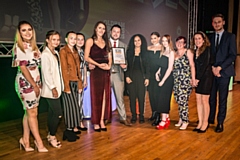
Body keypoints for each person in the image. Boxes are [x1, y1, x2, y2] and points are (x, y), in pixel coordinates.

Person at [12, 20, 48, 152]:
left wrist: (39, 82)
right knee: (32, 112)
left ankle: (25, 140)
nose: (27, 32)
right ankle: (39, 142)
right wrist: (34, 85)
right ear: (19, 33)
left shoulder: (33, 47)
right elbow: (23, 68)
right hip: (25, 83)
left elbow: (36, 67)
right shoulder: (19, 47)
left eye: (29, 29)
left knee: (29, 112)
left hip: (35, 83)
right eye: (24, 30)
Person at [208, 14, 237, 133]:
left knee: (222, 99)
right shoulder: (209, 37)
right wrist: (212, 68)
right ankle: (210, 119)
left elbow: (232, 55)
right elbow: (208, 55)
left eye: (219, 22)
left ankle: (220, 122)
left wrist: (219, 68)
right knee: (211, 99)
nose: (217, 24)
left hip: (224, 72)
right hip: (211, 72)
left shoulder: (230, 37)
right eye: (214, 22)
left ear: (223, 22)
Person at [84, 21, 112, 132]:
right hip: (96, 71)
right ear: (95, 29)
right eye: (99, 28)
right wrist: (98, 65)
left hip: (105, 71)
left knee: (105, 96)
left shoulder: (106, 42)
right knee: (96, 97)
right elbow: (86, 57)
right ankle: (95, 122)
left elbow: (110, 56)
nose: (101, 30)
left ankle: (101, 120)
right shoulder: (90, 41)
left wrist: (109, 66)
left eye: (103, 28)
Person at [41, 30, 63, 147]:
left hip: (57, 88)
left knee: (52, 113)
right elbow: (46, 73)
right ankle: (52, 136)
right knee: (58, 113)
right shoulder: (45, 54)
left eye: (58, 40)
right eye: (53, 39)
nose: (56, 42)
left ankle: (50, 134)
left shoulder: (56, 53)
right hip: (51, 90)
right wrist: (53, 87)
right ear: (47, 40)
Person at [59, 31, 83, 138]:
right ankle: (68, 130)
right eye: (71, 38)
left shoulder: (75, 52)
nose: (73, 40)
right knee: (69, 107)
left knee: (75, 107)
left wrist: (80, 84)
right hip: (68, 83)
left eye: (75, 38)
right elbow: (64, 69)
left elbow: (78, 70)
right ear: (66, 39)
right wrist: (66, 86)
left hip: (75, 81)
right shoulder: (63, 51)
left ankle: (73, 128)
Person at [190, 31, 213, 133]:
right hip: (198, 78)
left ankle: (205, 123)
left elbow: (204, 65)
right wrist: (193, 78)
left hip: (206, 78)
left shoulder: (207, 49)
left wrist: (197, 78)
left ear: (204, 40)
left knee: (204, 100)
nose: (197, 40)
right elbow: (194, 66)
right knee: (198, 100)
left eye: (199, 38)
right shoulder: (196, 51)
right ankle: (200, 123)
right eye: (195, 39)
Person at [109, 24, 131, 126]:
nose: (116, 33)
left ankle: (123, 117)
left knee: (120, 98)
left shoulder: (124, 46)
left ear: (120, 34)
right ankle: (106, 117)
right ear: (110, 32)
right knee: (105, 98)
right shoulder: (104, 44)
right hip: (106, 74)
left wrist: (125, 66)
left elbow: (127, 62)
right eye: (114, 31)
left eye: (118, 32)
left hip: (118, 75)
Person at [125, 34, 149, 124]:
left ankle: (141, 116)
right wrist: (127, 76)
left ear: (142, 41)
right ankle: (134, 116)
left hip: (141, 78)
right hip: (131, 78)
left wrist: (147, 78)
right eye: (135, 41)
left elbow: (148, 67)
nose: (137, 42)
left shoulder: (145, 53)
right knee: (132, 98)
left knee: (141, 98)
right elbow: (127, 66)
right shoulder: (129, 53)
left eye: (138, 40)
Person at [173, 36, 195, 130]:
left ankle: (185, 121)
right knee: (178, 100)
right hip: (176, 80)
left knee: (183, 101)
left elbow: (192, 65)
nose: (179, 43)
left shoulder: (188, 52)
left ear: (185, 44)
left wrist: (193, 79)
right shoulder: (174, 53)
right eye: (178, 41)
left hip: (185, 80)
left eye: (182, 42)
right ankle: (181, 118)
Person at [155, 35, 174, 130]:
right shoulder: (163, 51)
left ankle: (163, 120)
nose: (164, 42)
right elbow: (161, 65)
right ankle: (166, 118)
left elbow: (170, 68)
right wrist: (157, 72)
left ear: (169, 41)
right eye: (163, 41)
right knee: (162, 98)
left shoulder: (171, 52)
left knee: (164, 99)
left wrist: (163, 80)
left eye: (166, 41)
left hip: (168, 78)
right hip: (162, 76)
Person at [147, 32, 162, 126]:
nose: (153, 40)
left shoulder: (162, 48)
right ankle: (153, 113)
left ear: (159, 38)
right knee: (151, 94)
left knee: (157, 96)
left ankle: (158, 116)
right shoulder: (148, 48)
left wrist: (159, 72)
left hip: (159, 75)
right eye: (152, 38)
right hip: (150, 74)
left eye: (155, 38)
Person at [75, 33, 88, 131]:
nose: (80, 41)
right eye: (78, 39)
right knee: (75, 102)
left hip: (82, 79)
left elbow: (84, 66)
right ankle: (75, 123)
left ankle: (79, 121)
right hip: (75, 80)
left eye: (82, 39)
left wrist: (85, 80)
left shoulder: (83, 52)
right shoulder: (72, 52)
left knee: (80, 101)